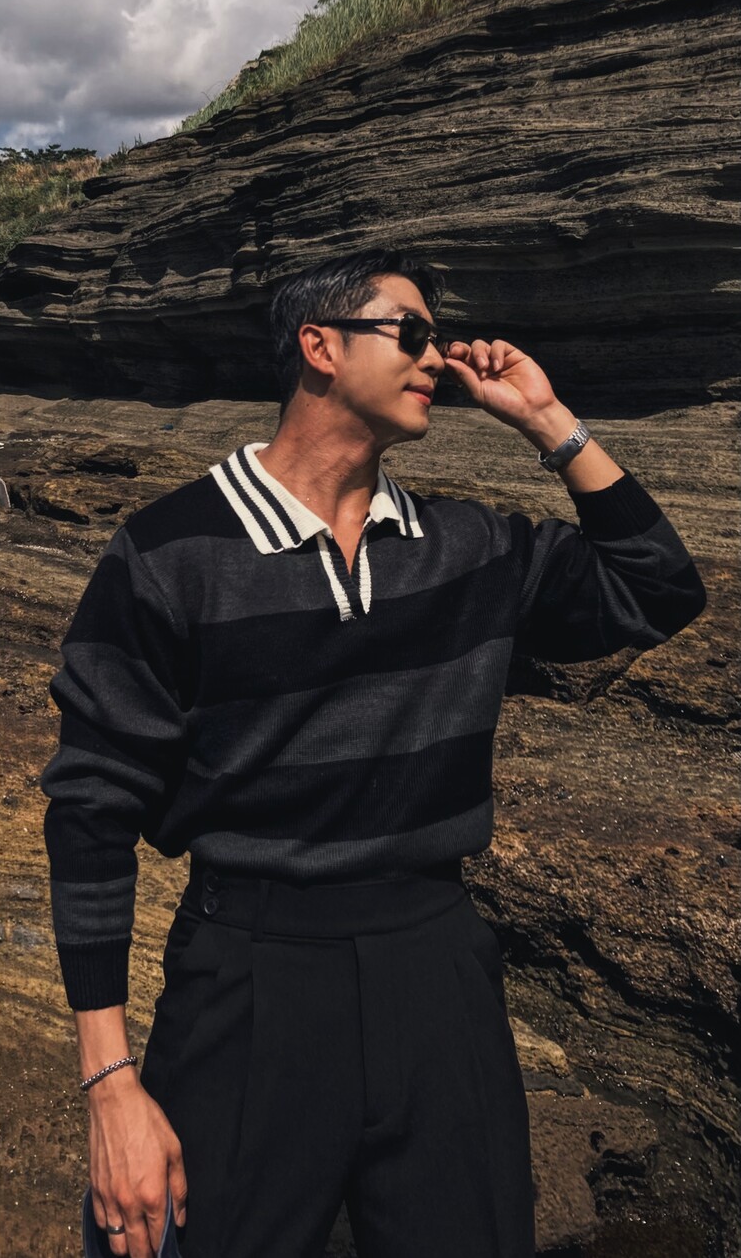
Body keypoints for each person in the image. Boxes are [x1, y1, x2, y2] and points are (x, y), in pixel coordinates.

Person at [40, 250, 706, 1258]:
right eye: (411, 333)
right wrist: (109, 1084)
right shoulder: (167, 554)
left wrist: (548, 420)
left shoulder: (471, 548)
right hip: (249, 972)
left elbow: (659, 589)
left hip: (437, 967)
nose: (435, 357)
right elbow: (91, 811)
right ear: (319, 346)